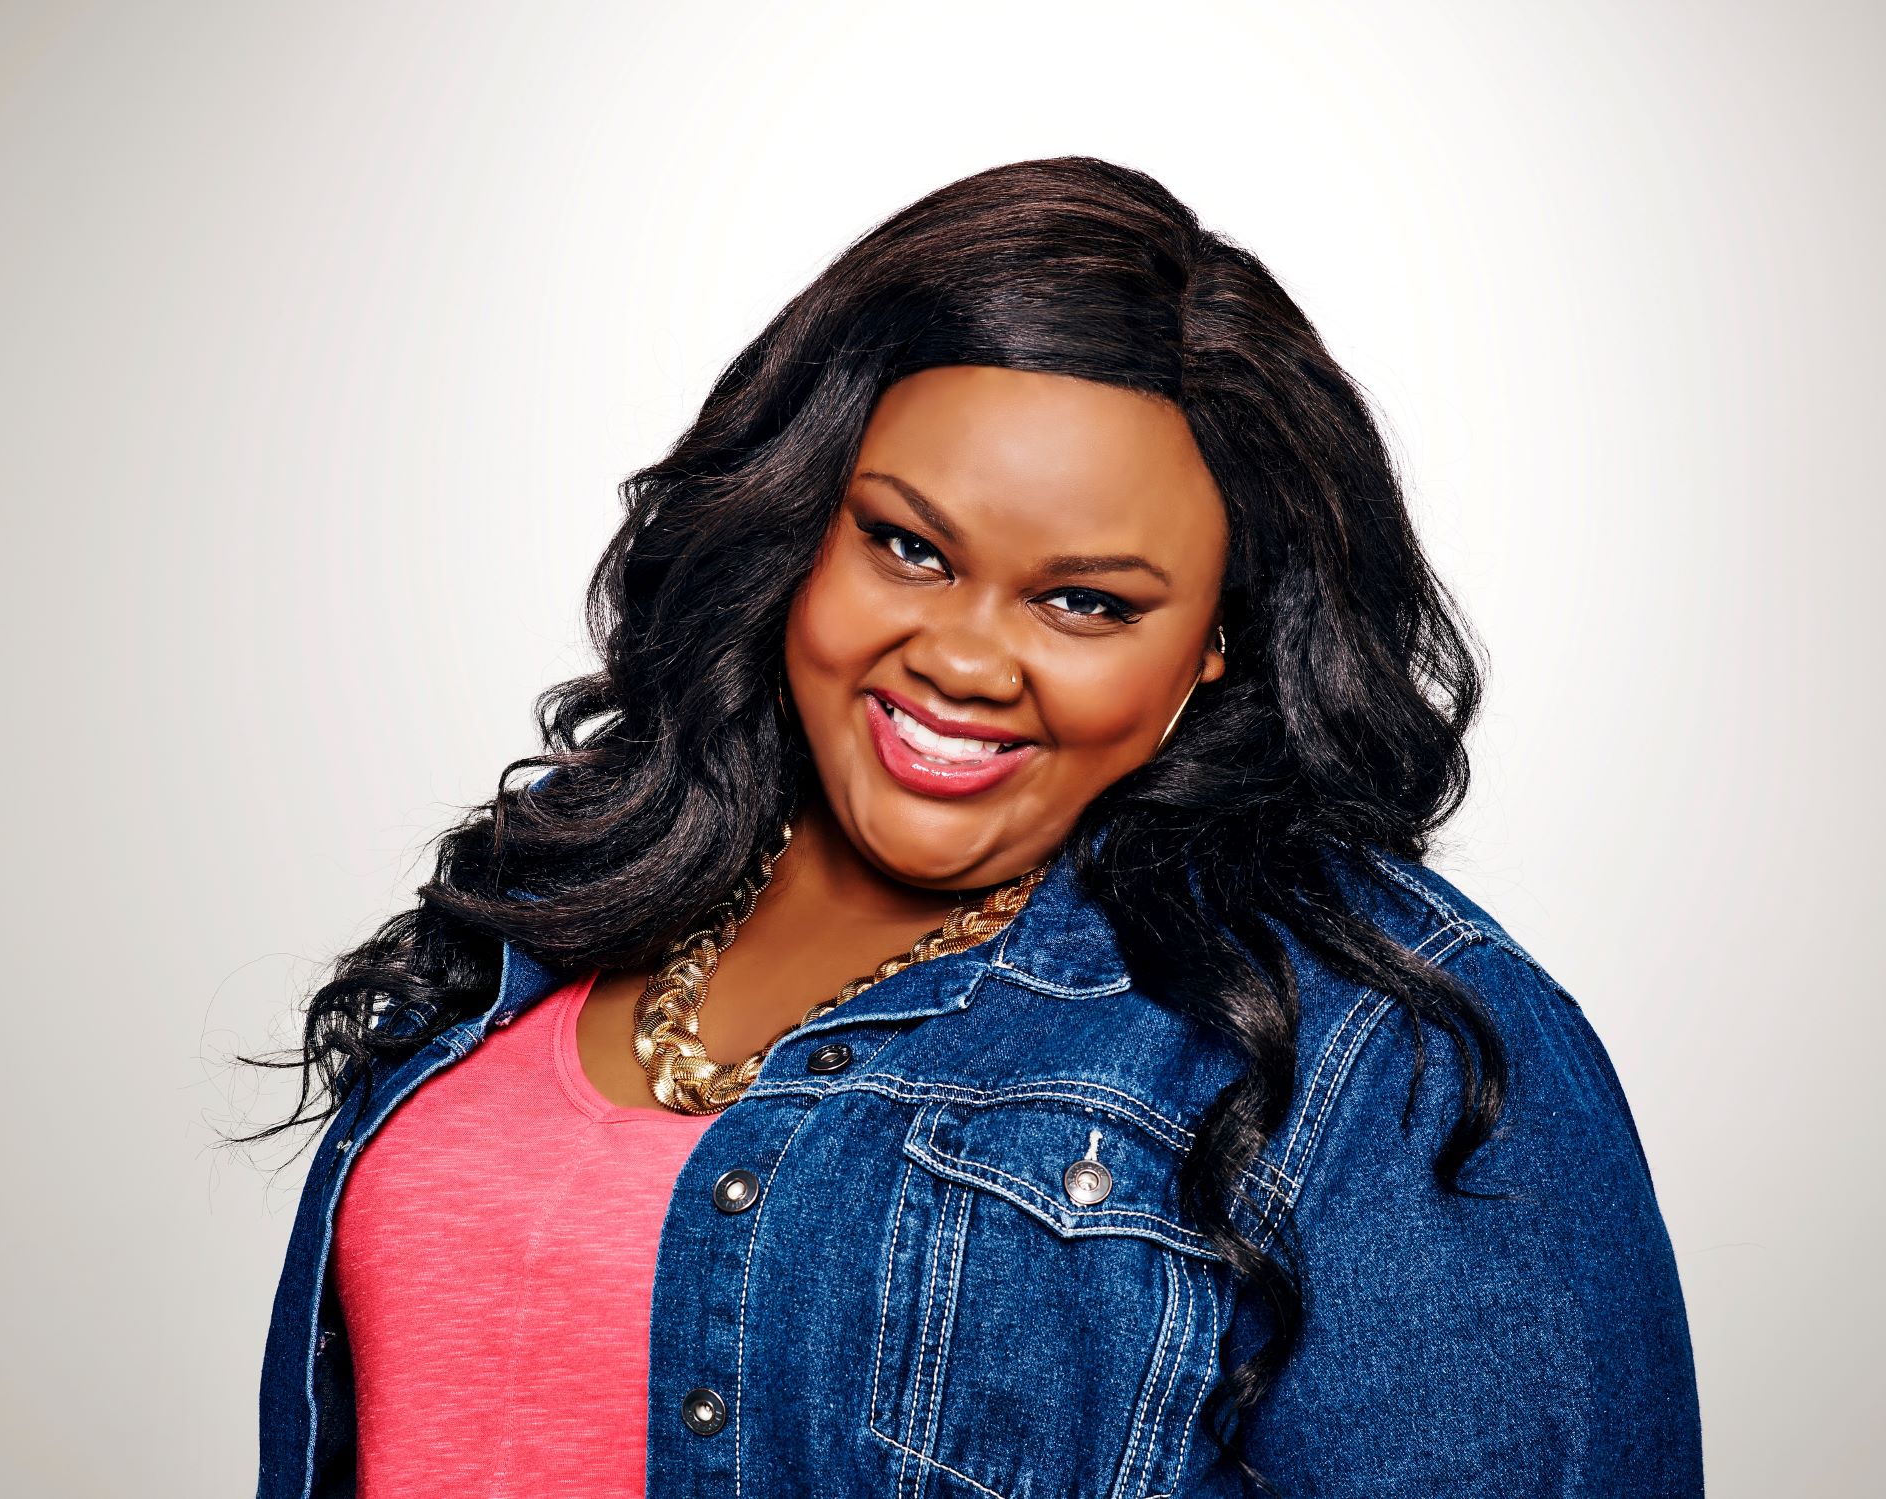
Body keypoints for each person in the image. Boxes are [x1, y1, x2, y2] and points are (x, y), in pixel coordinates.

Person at [243, 155, 1701, 1498]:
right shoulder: (554, 915)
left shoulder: (1376, 1044)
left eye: (1088, 602)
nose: (961, 656)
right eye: (907, 545)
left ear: (1215, 648)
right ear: (797, 523)